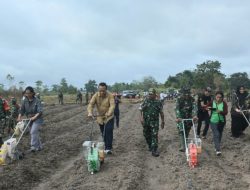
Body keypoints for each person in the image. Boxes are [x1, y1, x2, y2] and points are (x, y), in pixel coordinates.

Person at [87, 82, 115, 154]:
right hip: (100, 117)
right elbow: (91, 105)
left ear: (106, 90)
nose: (102, 92)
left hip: (109, 117)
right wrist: (90, 112)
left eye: (103, 90)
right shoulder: (95, 95)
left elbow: (112, 105)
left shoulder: (110, 95)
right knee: (103, 133)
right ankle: (106, 145)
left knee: (108, 131)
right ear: (98, 89)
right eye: (100, 90)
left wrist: (109, 113)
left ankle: (108, 148)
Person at [17, 86, 43, 152]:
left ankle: (33, 146)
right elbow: (22, 109)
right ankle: (39, 146)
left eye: (29, 93)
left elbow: (40, 111)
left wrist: (35, 117)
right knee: (34, 133)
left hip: (37, 118)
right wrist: (19, 116)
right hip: (29, 119)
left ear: (32, 93)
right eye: (26, 93)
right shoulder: (24, 100)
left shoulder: (37, 100)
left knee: (33, 131)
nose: (27, 94)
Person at [140, 88, 165, 157]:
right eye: (149, 94)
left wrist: (163, 121)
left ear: (155, 94)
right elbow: (141, 110)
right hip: (146, 121)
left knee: (154, 135)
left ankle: (154, 150)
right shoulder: (145, 101)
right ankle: (150, 146)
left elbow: (161, 113)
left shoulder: (158, 102)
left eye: (152, 94)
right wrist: (141, 118)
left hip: (154, 122)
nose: (150, 95)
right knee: (146, 134)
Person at [175, 86, 198, 152]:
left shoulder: (192, 99)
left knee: (187, 131)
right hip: (181, 118)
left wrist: (194, 115)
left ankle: (184, 142)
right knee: (182, 131)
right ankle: (183, 146)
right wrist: (178, 116)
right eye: (185, 93)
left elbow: (194, 108)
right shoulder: (179, 99)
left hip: (189, 117)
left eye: (188, 93)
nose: (187, 94)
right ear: (182, 93)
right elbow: (177, 108)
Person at [206, 91, 228, 156]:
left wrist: (220, 111)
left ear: (222, 98)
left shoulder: (224, 103)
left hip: (221, 121)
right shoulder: (212, 102)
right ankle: (218, 150)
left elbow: (226, 112)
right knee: (216, 134)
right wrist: (208, 108)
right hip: (213, 120)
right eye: (217, 97)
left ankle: (216, 146)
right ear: (215, 97)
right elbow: (206, 107)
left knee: (220, 134)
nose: (218, 98)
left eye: (220, 97)